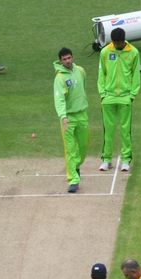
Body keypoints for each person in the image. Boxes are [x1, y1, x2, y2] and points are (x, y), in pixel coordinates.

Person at [97, 28, 141, 173]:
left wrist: (132, 95)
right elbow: (101, 74)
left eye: (118, 42)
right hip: (108, 97)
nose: (116, 45)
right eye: (114, 42)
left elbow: (136, 75)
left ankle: (126, 159)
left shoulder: (133, 52)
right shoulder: (105, 52)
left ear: (123, 40)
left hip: (125, 97)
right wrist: (102, 94)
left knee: (125, 130)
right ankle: (106, 159)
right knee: (108, 130)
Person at [53, 47, 89, 193]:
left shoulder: (80, 71)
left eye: (69, 58)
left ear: (72, 57)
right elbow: (59, 99)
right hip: (68, 118)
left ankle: (76, 166)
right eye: (64, 59)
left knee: (83, 147)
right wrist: (63, 116)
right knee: (70, 149)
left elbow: (83, 88)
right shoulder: (60, 78)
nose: (67, 61)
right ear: (61, 61)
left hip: (82, 114)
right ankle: (73, 179)